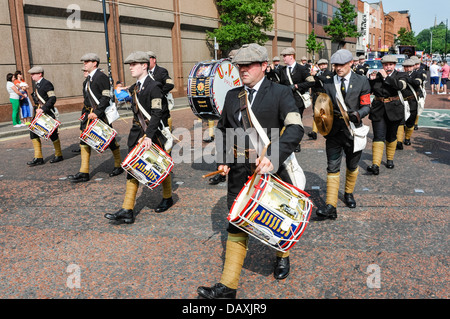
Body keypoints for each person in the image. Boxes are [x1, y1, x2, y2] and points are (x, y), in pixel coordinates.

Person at [197, 43, 304, 299]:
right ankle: (228, 286)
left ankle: (282, 255)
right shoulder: (233, 95)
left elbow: (295, 128)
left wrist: (274, 157)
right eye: (239, 66)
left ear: (264, 66)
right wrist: (222, 159)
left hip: (271, 170)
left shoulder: (281, 92)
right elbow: (222, 129)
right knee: (236, 222)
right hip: (238, 171)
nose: (242, 70)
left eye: (248, 65)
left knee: (277, 217)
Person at [104, 51, 173, 224]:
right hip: (136, 134)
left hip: (151, 133)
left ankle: (168, 196)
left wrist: (149, 135)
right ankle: (127, 210)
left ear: (144, 66)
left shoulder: (154, 86)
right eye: (129, 65)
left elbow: (157, 113)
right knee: (131, 167)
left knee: (158, 165)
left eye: (134, 64)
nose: (130, 68)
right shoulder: (136, 87)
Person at [310, 49, 371, 220]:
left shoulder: (362, 81)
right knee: (332, 166)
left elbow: (366, 105)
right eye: (335, 65)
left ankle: (349, 193)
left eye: (341, 65)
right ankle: (331, 206)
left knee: (352, 165)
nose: (338, 68)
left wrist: (359, 114)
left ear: (351, 63)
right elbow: (321, 105)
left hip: (353, 130)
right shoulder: (328, 83)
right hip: (333, 131)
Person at [68, 53, 124, 183]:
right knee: (84, 141)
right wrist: (83, 115)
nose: (84, 64)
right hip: (88, 115)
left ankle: (118, 165)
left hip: (99, 115)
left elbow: (106, 97)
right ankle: (84, 172)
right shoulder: (87, 80)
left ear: (95, 63)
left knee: (109, 140)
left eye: (87, 61)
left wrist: (97, 112)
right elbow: (87, 100)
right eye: (84, 62)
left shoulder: (101, 77)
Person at [367, 55, 408, 175]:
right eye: (385, 65)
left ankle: (390, 158)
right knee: (378, 136)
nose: (388, 67)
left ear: (394, 65)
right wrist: (372, 79)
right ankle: (375, 165)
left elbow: (399, 86)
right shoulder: (377, 75)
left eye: (390, 64)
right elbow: (369, 90)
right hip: (378, 109)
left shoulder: (401, 75)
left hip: (394, 109)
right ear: (382, 65)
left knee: (391, 136)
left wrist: (386, 77)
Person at [277, 47, 315, 152]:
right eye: (283, 56)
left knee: (296, 123)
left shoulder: (302, 69)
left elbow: (311, 82)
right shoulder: (282, 70)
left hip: (298, 100)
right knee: (284, 121)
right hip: (285, 100)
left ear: (291, 56)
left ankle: (297, 143)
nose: (283, 58)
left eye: (285, 56)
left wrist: (297, 86)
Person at [26, 66, 64, 166]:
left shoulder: (46, 83)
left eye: (33, 74)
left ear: (40, 74)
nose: (31, 76)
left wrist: (43, 109)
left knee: (52, 134)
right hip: (39, 113)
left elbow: (52, 98)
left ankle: (59, 154)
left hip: (47, 113)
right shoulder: (38, 85)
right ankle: (38, 157)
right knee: (33, 132)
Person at [395, 59, 422, 149]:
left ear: (413, 66)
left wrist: (407, 78)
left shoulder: (417, 74)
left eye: (409, 66)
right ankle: (399, 141)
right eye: (406, 67)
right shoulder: (399, 74)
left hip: (412, 101)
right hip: (401, 101)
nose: (407, 68)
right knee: (400, 121)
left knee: (410, 121)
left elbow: (417, 83)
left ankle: (407, 138)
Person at [308, 58, 334, 140]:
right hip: (316, 95)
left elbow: (325, 80)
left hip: (325, 96)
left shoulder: (329, 73)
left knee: (325, 113)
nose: (323, 66)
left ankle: (327, 128)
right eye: (321, 65)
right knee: (315, 113)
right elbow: (312, 84)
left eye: (324, 64)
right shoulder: (316, 74)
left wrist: (316, 75)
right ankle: (314, 132)